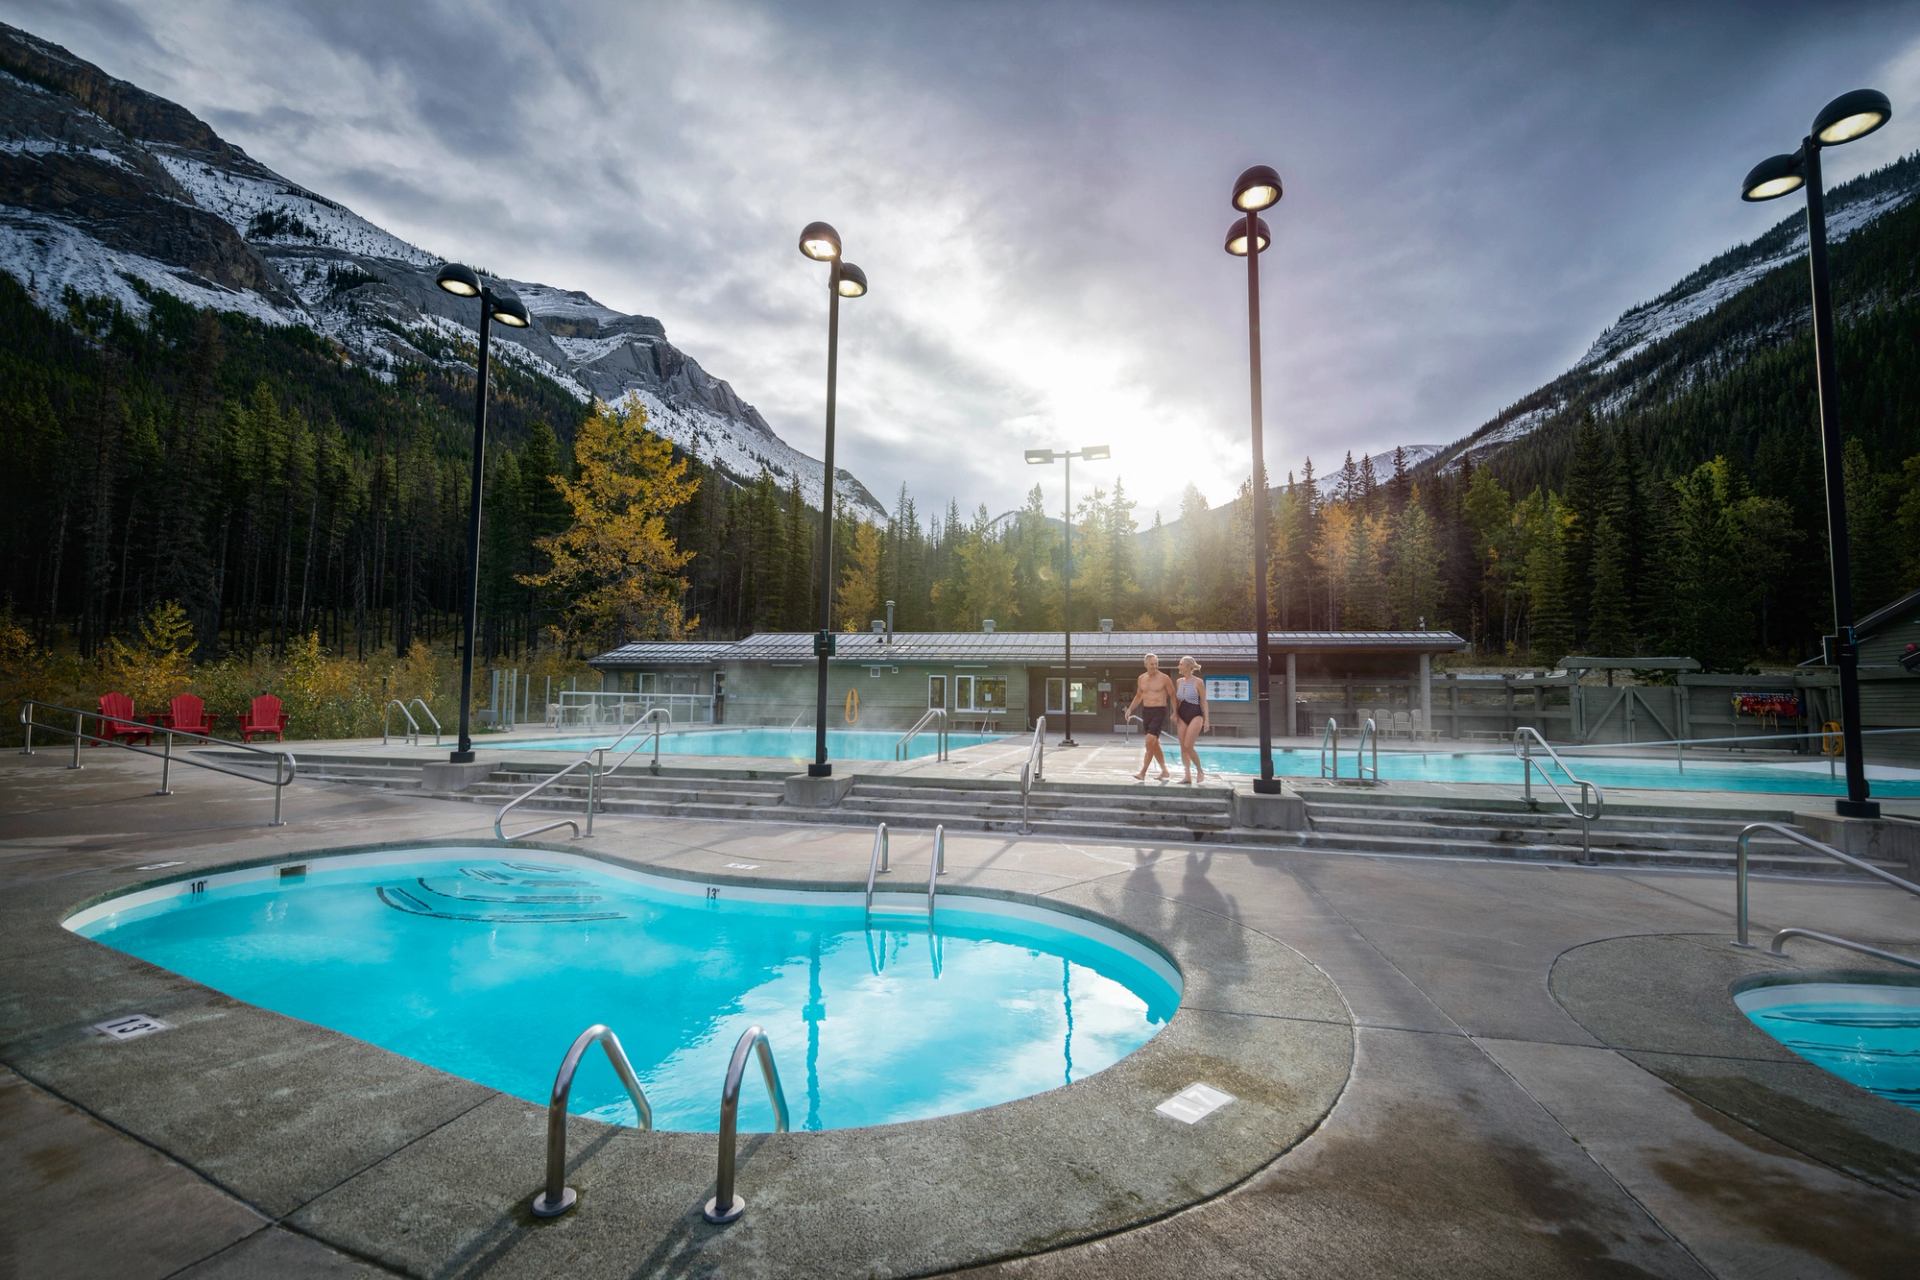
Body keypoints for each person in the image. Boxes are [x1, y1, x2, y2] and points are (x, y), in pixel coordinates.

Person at [1125, 652, 1176, 781]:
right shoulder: (1141, 678)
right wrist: (1130, 709)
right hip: (1146, 711)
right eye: (1152, 664)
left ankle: (1142, 772)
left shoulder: (1164, 678)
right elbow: (1138, 696)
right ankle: (1165, 771)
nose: (1154, 666)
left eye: (1156, 664)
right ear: (1146, 664)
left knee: (1149, 742)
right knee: (1154, 744)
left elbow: (1173, 695)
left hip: (1160, 711)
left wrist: (1175, 712)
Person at [1173, 655, 1209, 784]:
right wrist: (1174, 713)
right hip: (1182, 715)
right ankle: (1187, 776)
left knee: (1188, 746)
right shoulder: (1179, 681)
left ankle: (1200, 771)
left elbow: (1204, 701)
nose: (1179, 666)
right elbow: (1178, 700)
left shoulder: (1198, 682)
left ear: (1188, 666)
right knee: (1183, 748)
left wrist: (1207, 720)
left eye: (1181, 664)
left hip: (1195, 715)